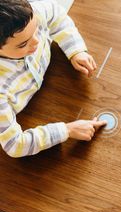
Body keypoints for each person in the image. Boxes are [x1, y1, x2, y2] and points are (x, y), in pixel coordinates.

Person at [0, 0, 107, 157]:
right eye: (23, 44)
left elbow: (57, 15)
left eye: (36, 29)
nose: (36, 41)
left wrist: (75, 49)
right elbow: (15, 145)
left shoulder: (30, 15)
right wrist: (67, 130)